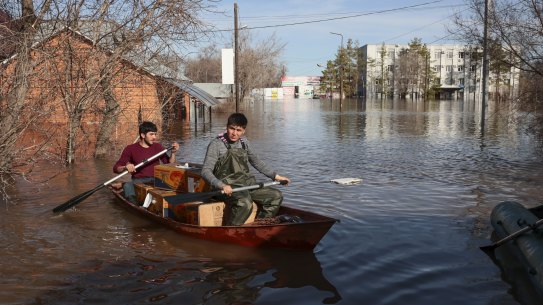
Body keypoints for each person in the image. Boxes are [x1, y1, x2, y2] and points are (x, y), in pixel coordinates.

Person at [201, 113, 290, 225]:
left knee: (276, 196)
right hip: (225, 188)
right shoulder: (216, 144)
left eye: (238, 130)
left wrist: (276, 176)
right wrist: (221, 185)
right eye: (232, 129)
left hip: (245, 185)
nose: (234, 133)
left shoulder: (244, 143)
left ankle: (260, 225)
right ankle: (231, 231)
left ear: (243, 131)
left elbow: (257, 162)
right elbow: (205, 171)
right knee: (245, 202)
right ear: (226, 127)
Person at [113, 121, 179, 204]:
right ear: (143, 135)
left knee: (174, 186)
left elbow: (169, 164)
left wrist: (173, 153)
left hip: (156, 179)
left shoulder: (158, 147)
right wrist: (125, 168)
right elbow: (116, 168)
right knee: (127, 185)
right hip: (139, 181)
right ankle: (134, 204)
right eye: (151, 134)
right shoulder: (130, 148)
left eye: (155, 134)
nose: (154, 137)